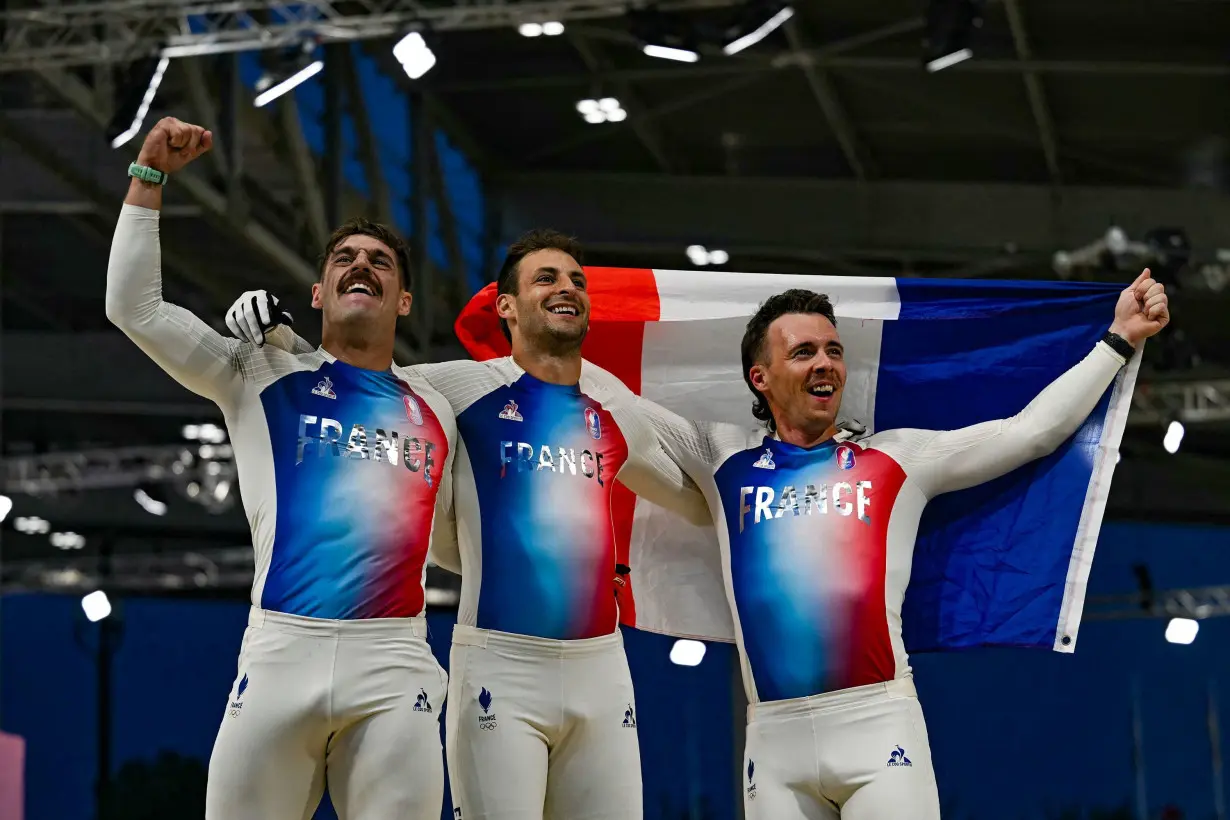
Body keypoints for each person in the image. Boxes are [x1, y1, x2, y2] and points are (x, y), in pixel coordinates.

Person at [607, 274, 1168, 819]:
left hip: (879, 731)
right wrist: (531, 336)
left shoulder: (897, 461)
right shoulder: (720, 458)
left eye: (833, 350)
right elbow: (612, 402)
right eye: (803, 352)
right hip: (772, 743)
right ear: (761, 376)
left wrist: (1116, 341)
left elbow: (1031, 432)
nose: (825, 363)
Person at [226, 230, 712, 819]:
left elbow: (698, 483)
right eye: (547, 278)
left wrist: (797, 448)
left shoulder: (610, 399)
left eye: (576, 281)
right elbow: (364, 382)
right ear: (505, 306)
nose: (566, 289)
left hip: (602, 668)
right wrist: (277, 337)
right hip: (496, 664)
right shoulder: (459, 387)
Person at [106, 117, 456, 820]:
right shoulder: (258, 373)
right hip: (278, 654)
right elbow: (133, 308)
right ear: (320, 292)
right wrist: (148, 174)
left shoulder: (442, 406)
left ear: (404, 301)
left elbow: (463, 533)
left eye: (380, 262)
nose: (362, 265)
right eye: (344, 259)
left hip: (395, 668)